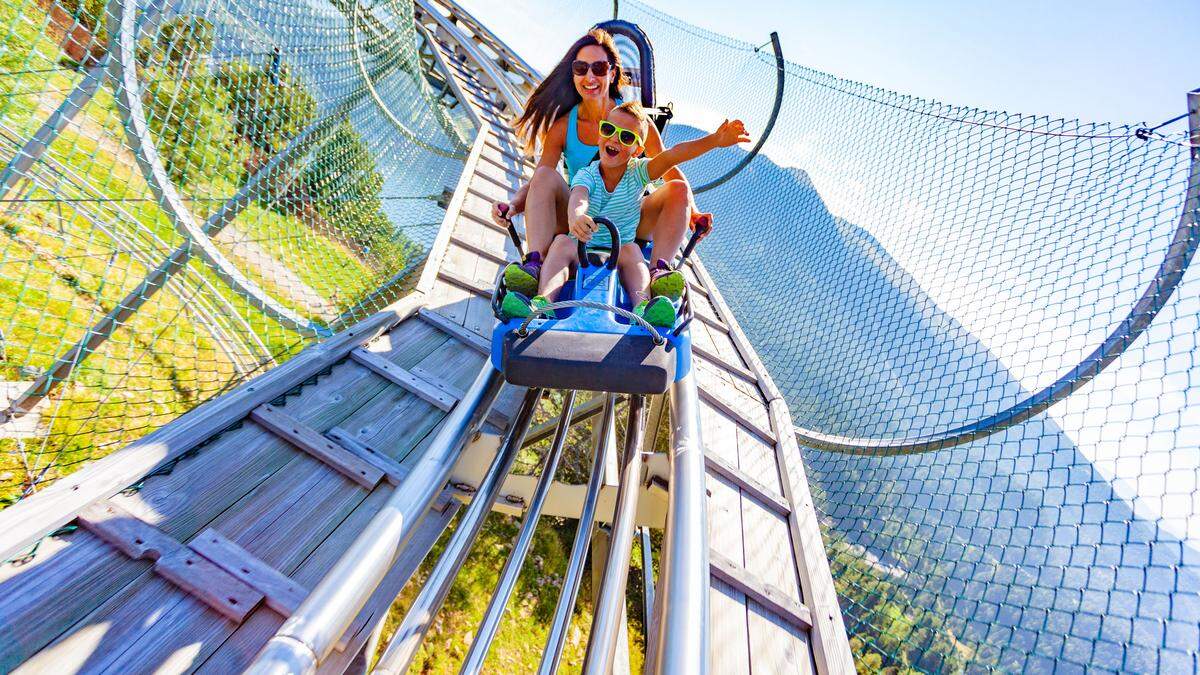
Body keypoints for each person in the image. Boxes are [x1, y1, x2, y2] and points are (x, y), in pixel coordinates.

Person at [492, 28, 711, 300]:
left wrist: (694, 212)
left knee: (678, 188)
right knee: (548, 175)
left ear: (612, 73)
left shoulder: (637, 123)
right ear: (573, 74)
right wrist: (513, 205)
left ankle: (659, 275)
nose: (590, 77)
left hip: (626, 217)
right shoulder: (563, 127)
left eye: (599, 68)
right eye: (581, 68)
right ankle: (534, 264)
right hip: (577, 217)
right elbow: (540, 180)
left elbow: (669, 168)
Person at [500, 102, 749, 326]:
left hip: (619, 249)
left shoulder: (638, 173)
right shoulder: (588, 173)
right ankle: (543, 303)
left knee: (633, 253)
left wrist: (715, 140)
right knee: (561, 243)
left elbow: (674, 154)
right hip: (581, 245)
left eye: (626, 137)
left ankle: (645, 304)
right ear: (601, 134)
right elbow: (579, 196)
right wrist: (576, 217)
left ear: (637, 150)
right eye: (609, 130)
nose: (615, 139)